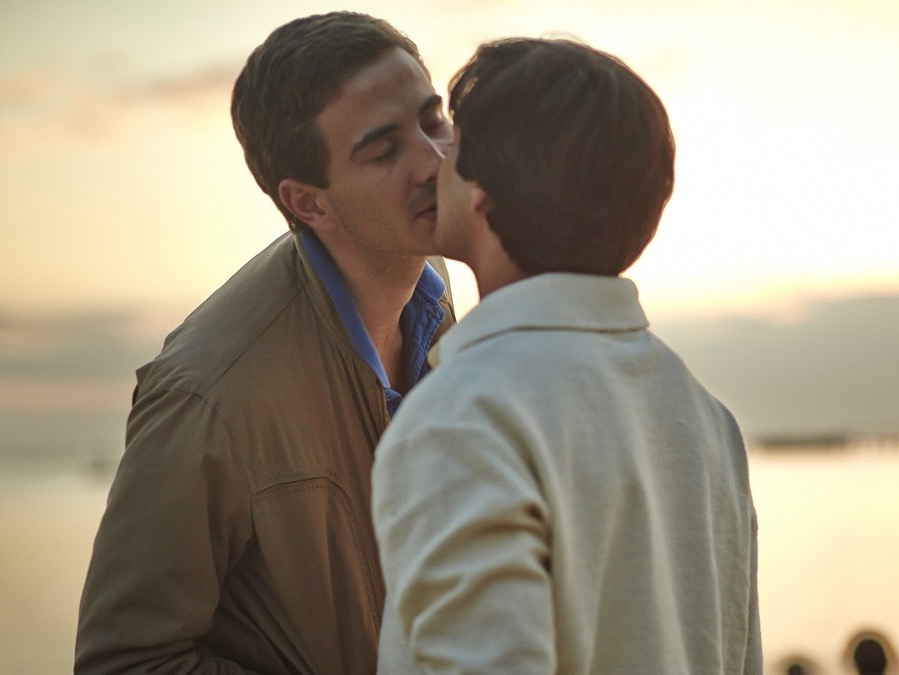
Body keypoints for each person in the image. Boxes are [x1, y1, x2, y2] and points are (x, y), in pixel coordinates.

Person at [75, 12, 455, 673]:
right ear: (309, 204)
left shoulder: (439, 290)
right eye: (384, 149)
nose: (434, 159)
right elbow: (125, 660)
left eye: (433, 120)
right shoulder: (208, 394)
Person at [372, 37, 762, 673]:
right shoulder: (706, 420)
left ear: (484, 194)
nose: (434, 159)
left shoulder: (463, 419)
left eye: (455, 142)